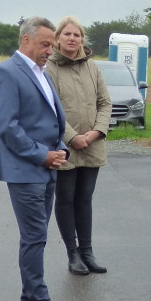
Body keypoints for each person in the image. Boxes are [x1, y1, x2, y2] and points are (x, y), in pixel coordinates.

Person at [0, 17, 74, 301]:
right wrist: (43, 155)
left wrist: (61, 146)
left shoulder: (41, 73)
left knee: (38, 236)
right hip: (26, 169)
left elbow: (48, 119)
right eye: (45, 44)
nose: (50, 50)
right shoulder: (6, 72)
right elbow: (7, 127)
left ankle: (32, 296)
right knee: (34, 236)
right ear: (26, 40)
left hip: (47, 165)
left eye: (51, 44)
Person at [46, 17, 112, 276]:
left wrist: (96, 132)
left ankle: (87, 251)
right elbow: (51, 108)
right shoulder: (49, 68)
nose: (73, 39)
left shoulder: (93, 67)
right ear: (58, 38)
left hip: (92, 144)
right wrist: (72, 137)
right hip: (65, 146)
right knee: (65, 199)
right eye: (68, 34)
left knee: (84, 199)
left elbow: (105, 102)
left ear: (83, 39)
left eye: (78, 35)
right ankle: (72, 254)